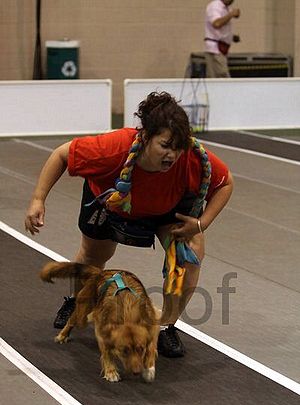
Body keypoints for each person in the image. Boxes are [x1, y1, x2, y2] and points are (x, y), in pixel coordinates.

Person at [25, 91, 233, 358]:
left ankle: (166, 326)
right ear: (146, 137)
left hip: (168, 207)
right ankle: (77, 302)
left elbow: (226, 182)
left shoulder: (191, 158)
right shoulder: (113, 148)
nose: (173, 154)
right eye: (165, 145)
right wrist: (38, 199)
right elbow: (61, 155)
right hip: (112, 199)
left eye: (178, 146)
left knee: (188, 259)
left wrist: (202, 223)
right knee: (93, 256)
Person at [204, 0, 240, 78]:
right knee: (222, 77)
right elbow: (216, 23)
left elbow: (220, 30)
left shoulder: (226, 8)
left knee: (218, 77)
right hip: (215, 49)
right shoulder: (215, 6)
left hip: (222, 48)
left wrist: (231, 36)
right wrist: (230, 15)